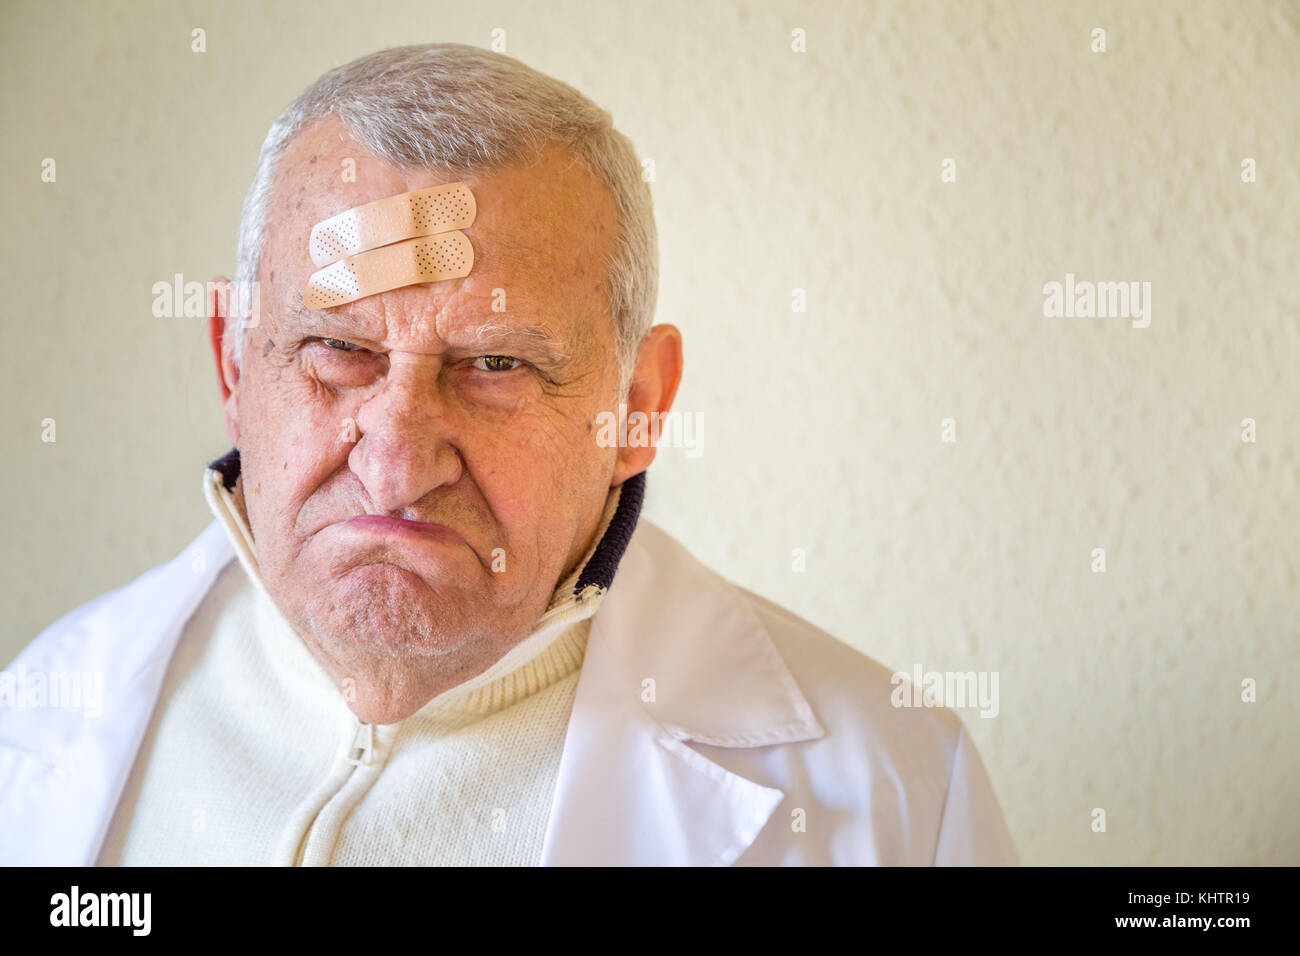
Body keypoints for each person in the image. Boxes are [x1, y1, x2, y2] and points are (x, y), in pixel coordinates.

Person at [0, 43, 1017, 866]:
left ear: (637, 405)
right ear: (232, 363)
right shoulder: (36, 717)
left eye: (494, 362)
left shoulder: (892, 794)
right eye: (340, 350)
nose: (396, 461)